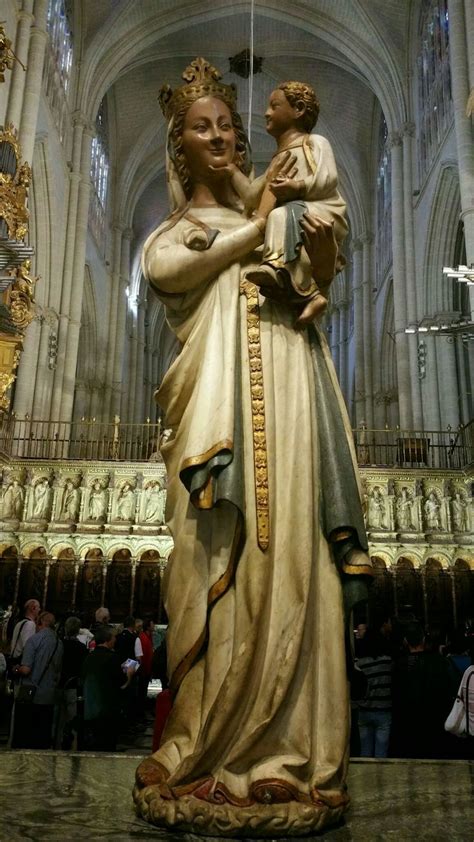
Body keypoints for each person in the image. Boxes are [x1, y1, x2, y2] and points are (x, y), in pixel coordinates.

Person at [134, 58, 371, 836]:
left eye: (228, 125)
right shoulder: (181, 232)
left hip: (290, 390)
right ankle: (201, 740)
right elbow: (171, 266)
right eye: (203, 128)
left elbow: (319, 262)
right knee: (213, 559)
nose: (222, 136)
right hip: (214, 420)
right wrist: (260, 231)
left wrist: (304, 239)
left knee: (290, 551)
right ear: (180, 147)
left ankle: (285, 754)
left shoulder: (273, 211)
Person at [229, 81, 347, 326]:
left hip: (322, 212)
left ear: (299, 109)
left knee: (279, 216)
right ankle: (306, 292)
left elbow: (328, 178)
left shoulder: (314, 142)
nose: (266, 113)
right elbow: (252, 195)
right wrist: (230, 171)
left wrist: (298, 187)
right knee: (279, 218)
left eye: (274, 106)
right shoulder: (277, 161)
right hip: (291, 220)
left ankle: (277, 269)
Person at [12, 611, 63, 749]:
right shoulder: (59, 643)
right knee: (42, 737)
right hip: (49, 695)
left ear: (40, 623)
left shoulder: (34, 640)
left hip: (31, 694)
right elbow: (58, 672)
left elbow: (26, 669)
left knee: (25, 738)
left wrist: (16, 669)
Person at [82, 625, 135, 751]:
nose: (115, 640)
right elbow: (122, 684)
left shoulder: (88, 657)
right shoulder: (112, 658)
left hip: (90, 709)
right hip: (108, 710)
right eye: (114, 637)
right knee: (107, 746)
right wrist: (129, 674)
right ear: (108, 639)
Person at [355, 629, 392, 757]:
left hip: (364, 710)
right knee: (381, 752)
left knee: (365, 750)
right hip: (383, 710)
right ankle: (380, 776)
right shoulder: (387, 662)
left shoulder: (360, 663)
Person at [55, 616, 87, 749]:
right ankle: (73, 745)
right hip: (73, 685)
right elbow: (83, 668)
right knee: (72, 718)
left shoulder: (59, 644)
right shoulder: (80, 647)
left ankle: (56, 744)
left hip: (59, 683)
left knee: (58, 719)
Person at [9, 598, 40, 673]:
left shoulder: (20, 623)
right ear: (33, 608)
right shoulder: (30, 624)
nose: (40, 609)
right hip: (21, 664)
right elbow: (28, 647)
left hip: (14, 660)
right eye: (38, 607)